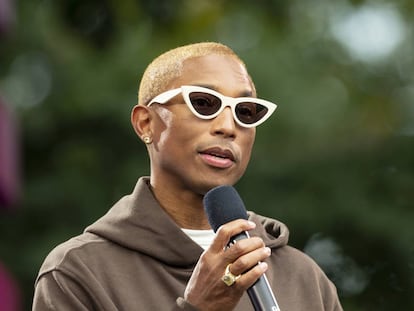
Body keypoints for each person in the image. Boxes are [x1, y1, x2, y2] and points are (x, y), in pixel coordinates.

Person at [32, 42, 343, 310]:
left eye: (245, 111)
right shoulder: (79, 273)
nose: (228, 126)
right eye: (204, 103)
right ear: (145, 123)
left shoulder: (303, 278)